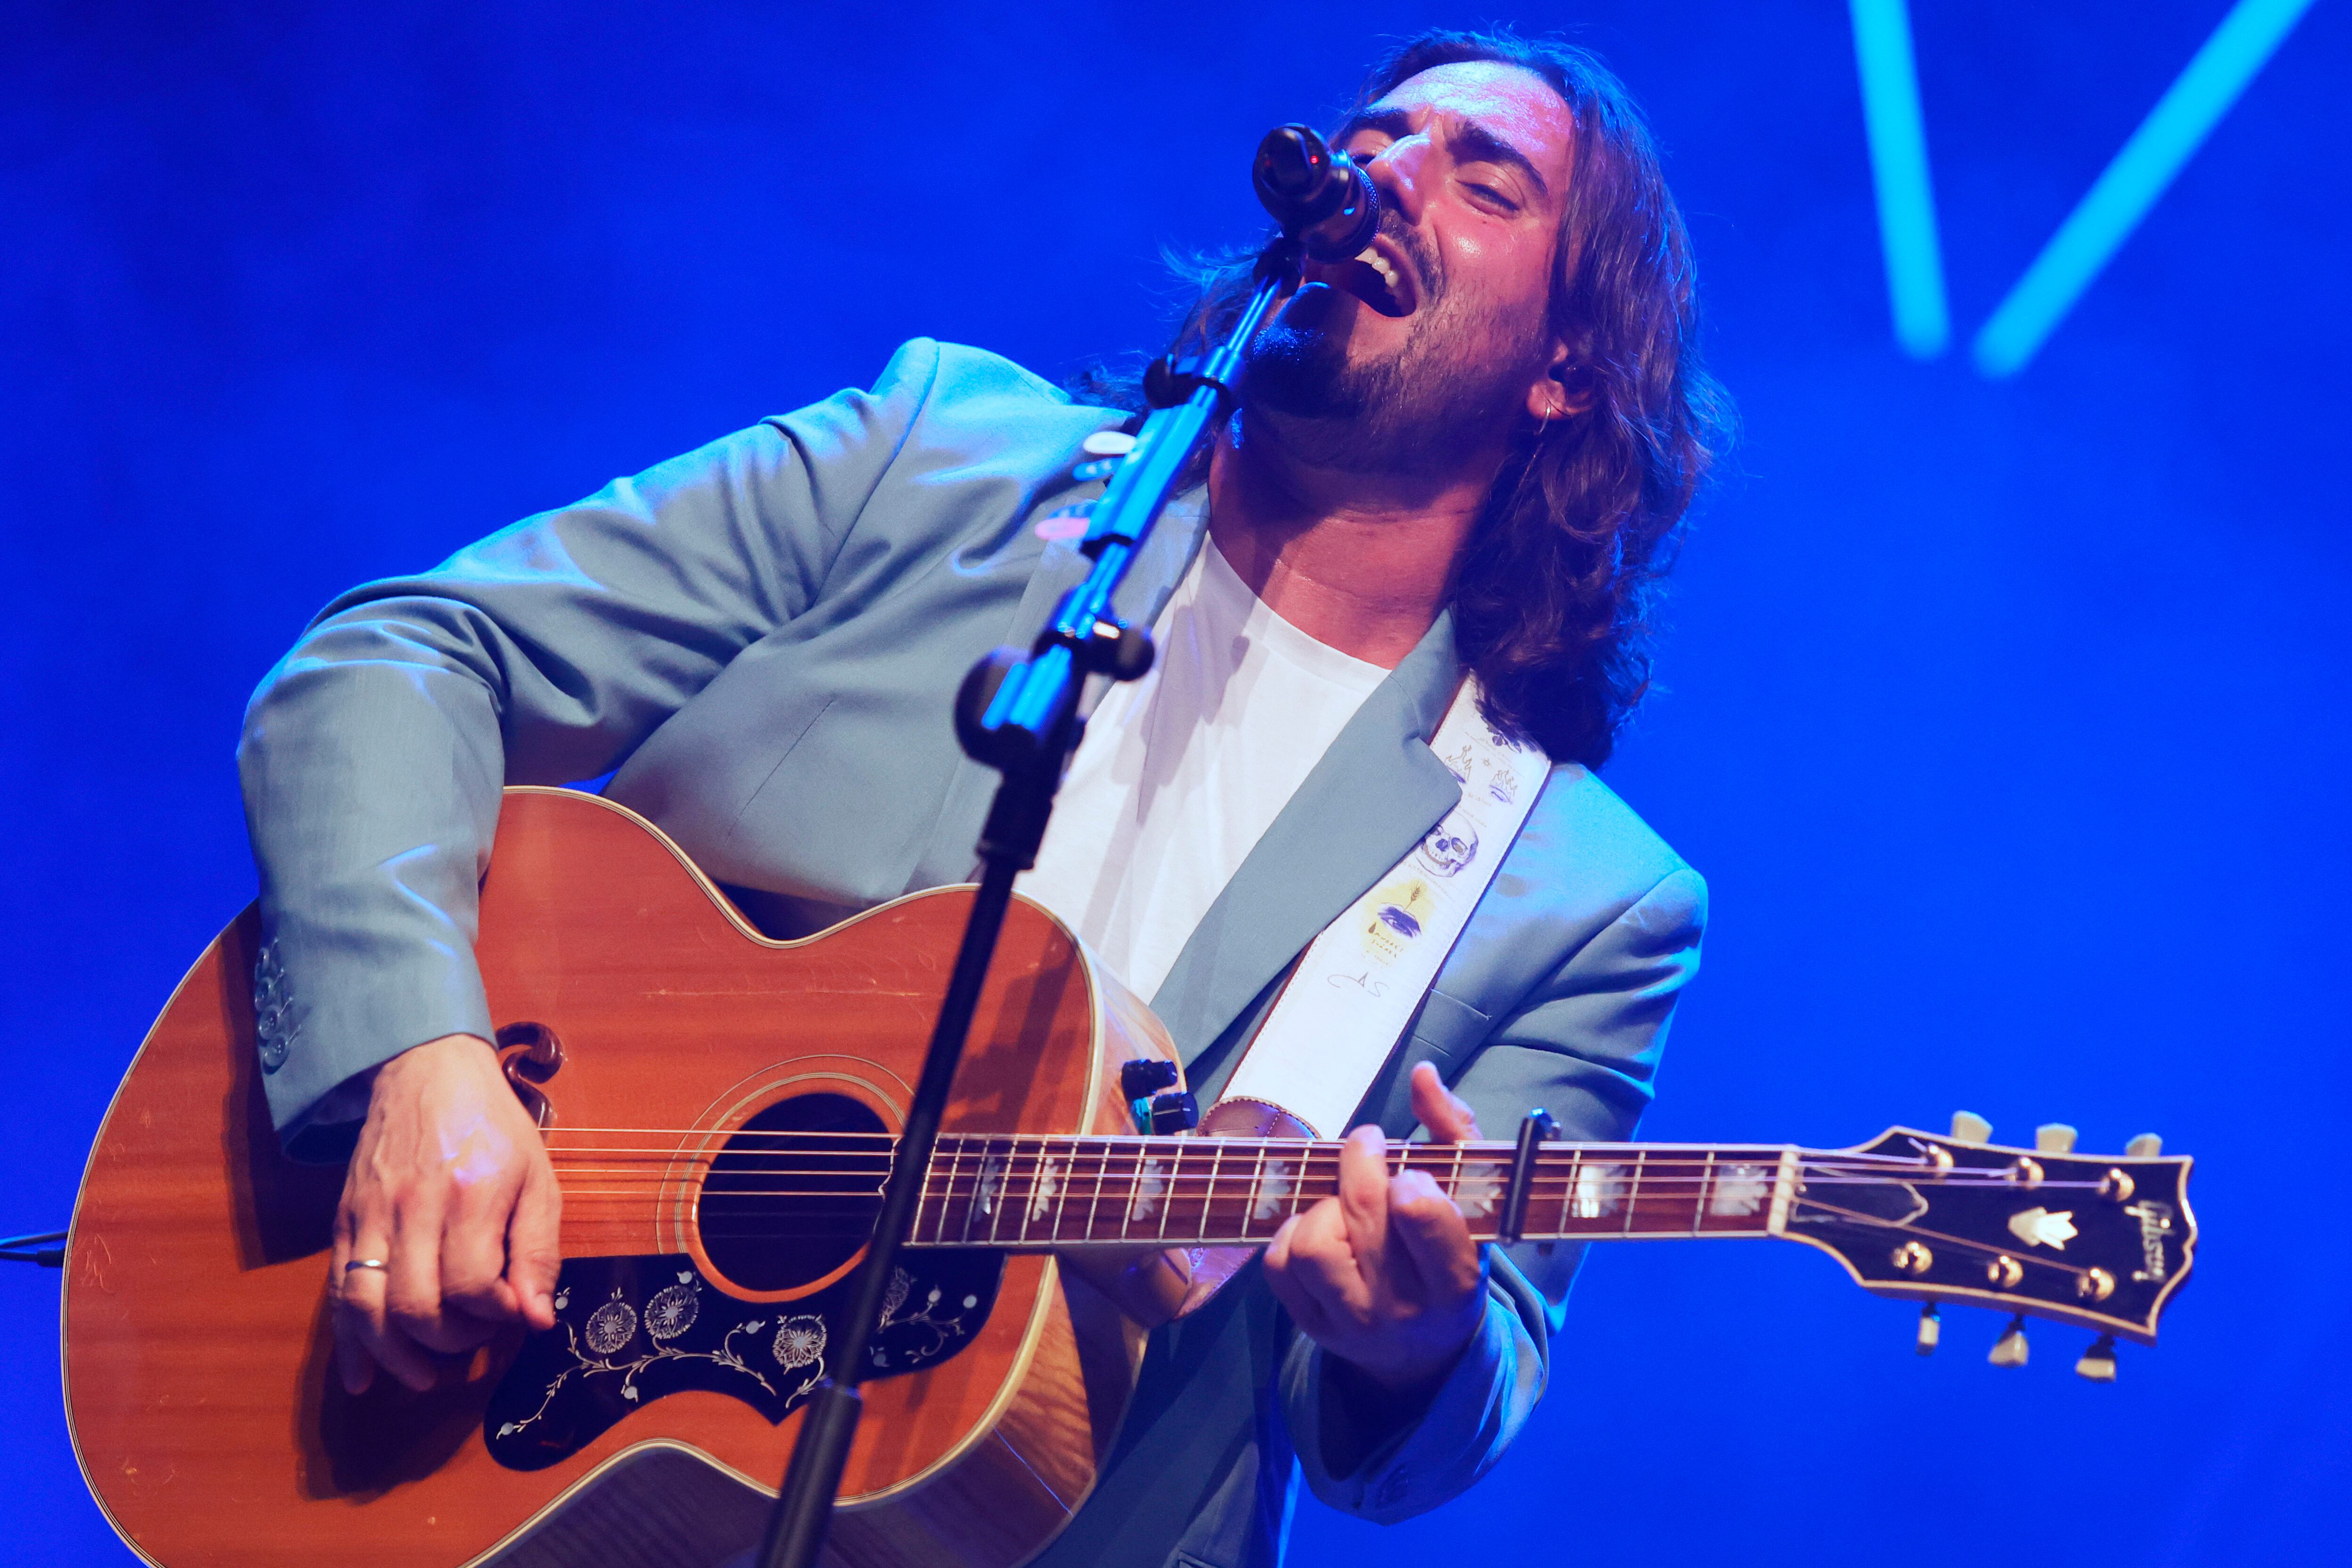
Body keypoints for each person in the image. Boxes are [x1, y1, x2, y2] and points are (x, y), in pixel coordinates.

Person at [237, 25, 1726, 1568]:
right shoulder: (937, 456)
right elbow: (403, 660)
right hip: (509, 1445)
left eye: (1483, 181)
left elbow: (1451, 1408)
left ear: (1568, 372)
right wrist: (420, 1057)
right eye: (1384, 135)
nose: (1388, 174)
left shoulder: (1571, 892)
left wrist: (1414, 1344)